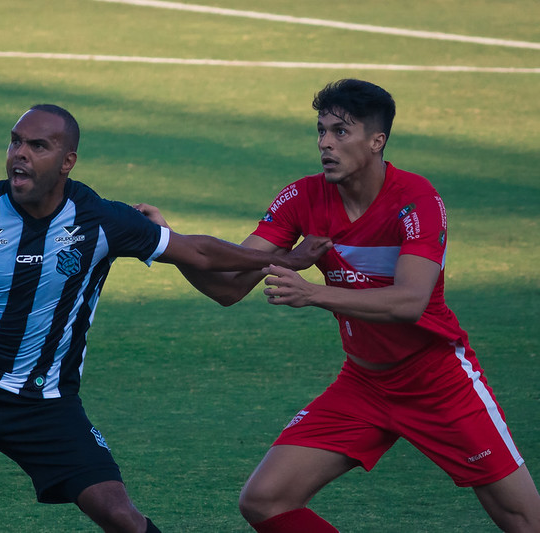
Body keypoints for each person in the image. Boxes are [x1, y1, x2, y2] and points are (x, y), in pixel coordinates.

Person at [0, 104, 331, 532]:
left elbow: (200, 252)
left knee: (120, 516)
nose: (19, 154)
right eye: (15, 142)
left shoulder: (102, 220)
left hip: (46, 402)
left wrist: (286, 260)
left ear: (67, 161)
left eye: (38, 146)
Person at [137, 79, 540, 532]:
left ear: (376, 141)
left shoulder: (417, 201)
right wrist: (166, 241)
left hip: (438, 381)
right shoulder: (303, 197)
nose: (325, 143)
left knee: (524, 520)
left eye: (340, 131)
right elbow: (227, 288)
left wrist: (313, 293)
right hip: (364, 385)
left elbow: (410, 302)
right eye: (321, 130)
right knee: (266, 500)